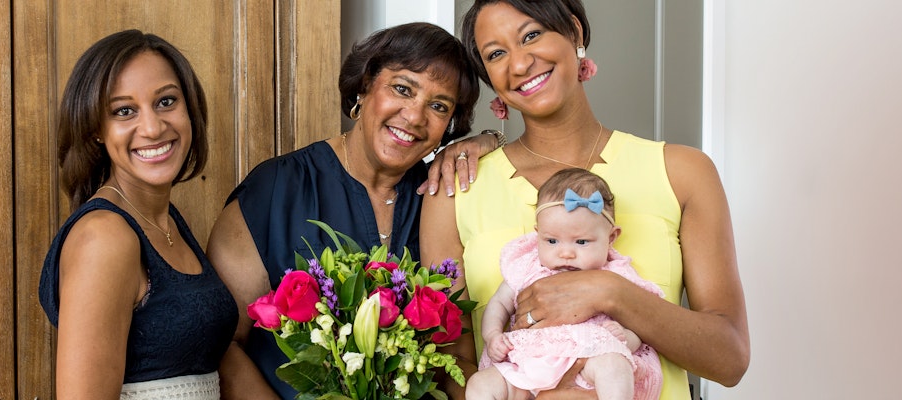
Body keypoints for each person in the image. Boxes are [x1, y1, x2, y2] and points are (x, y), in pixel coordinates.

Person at [421, 1, 751, 399]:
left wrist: (607, 292)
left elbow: (730, 359)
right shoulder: (456, 188)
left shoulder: (684, 172)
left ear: (574, 33)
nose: (521, 63)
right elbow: (447, 364)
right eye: (496, 53)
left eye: (531, 35)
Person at [206, 22, 483, 399]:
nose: (416, 117)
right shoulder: (275, 190)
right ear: (364, 86)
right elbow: (223, 345)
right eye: (402, 89)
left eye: (438, 106)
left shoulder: (442, 200)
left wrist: (490, 138)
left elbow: (453, 355)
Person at [37, 30, 242, 400]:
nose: (152, 127)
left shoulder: (167, 221)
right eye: (124, 111)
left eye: (166, 101)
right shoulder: (104, 237)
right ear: (96, 129)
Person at [467, 168, 664, 400]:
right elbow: (499, 302)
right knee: (480, 384)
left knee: (614, 365)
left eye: (581, 242)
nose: (566, 253)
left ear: (611, 238)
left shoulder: (617, 274)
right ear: (537, 234)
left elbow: (643, 321)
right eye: (551, 240)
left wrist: (627, 337)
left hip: (590, 362)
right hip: (528, 364)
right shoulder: (527, 267)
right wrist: (492, 335)